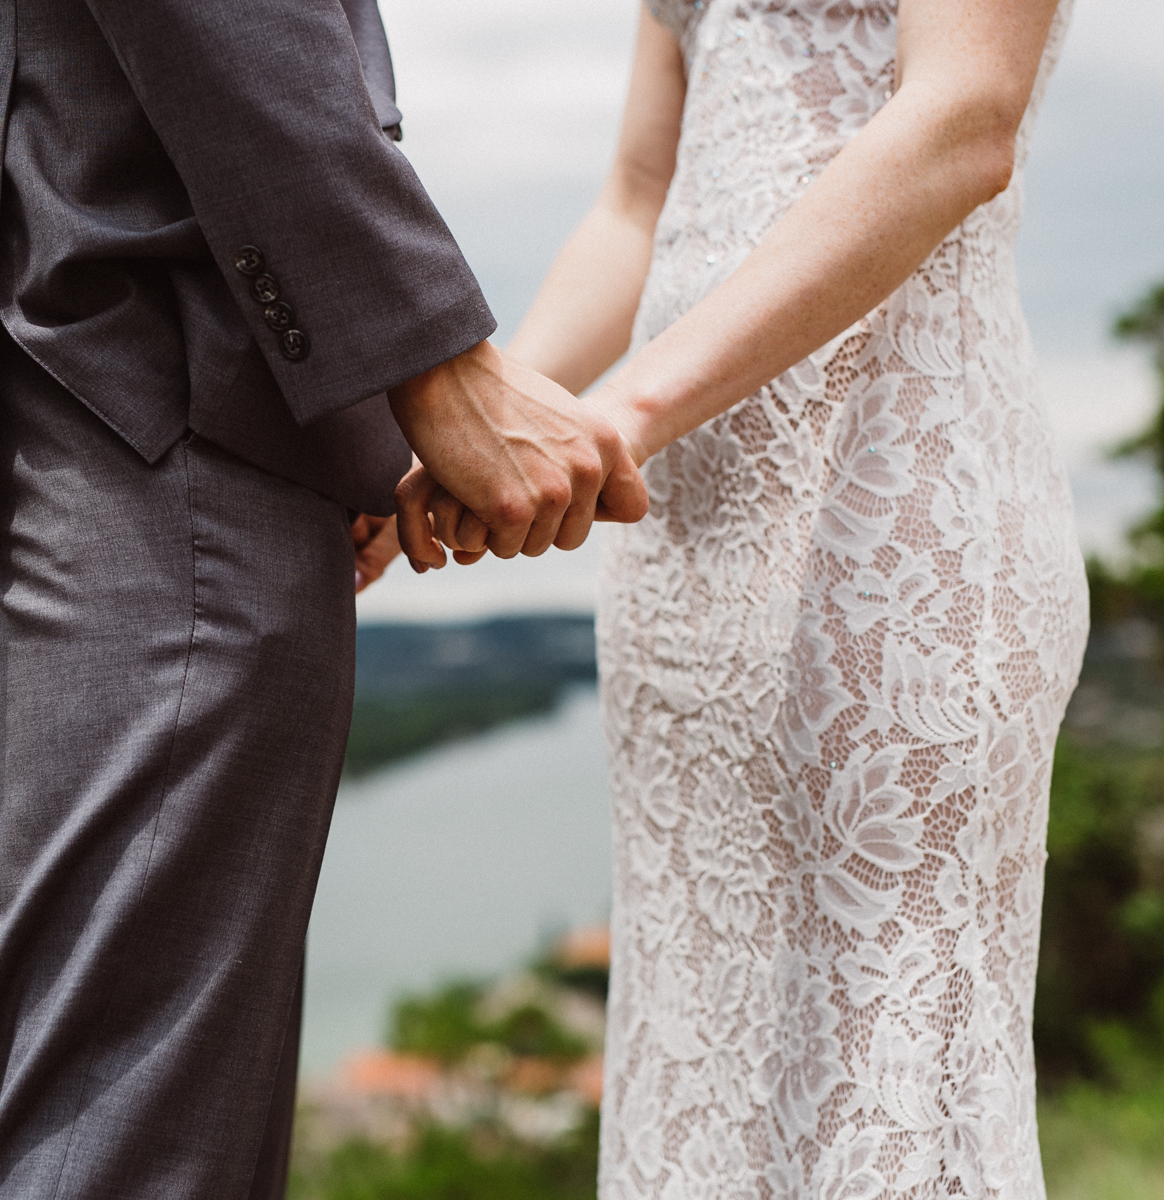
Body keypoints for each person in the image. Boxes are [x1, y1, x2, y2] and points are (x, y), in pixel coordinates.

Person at [0, 1, 645, 1197]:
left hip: (145, 401)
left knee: (143, 1116)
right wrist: (429, 358)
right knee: (132, 1141)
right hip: (162, 384)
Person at [404, 0, 1090, 1194]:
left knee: (884, 1038)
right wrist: (481, 439)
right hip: (681, 538)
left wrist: (621, 416)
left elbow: (963, 119)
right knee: (699, 1027)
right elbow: (634, 199)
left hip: (888, 510)